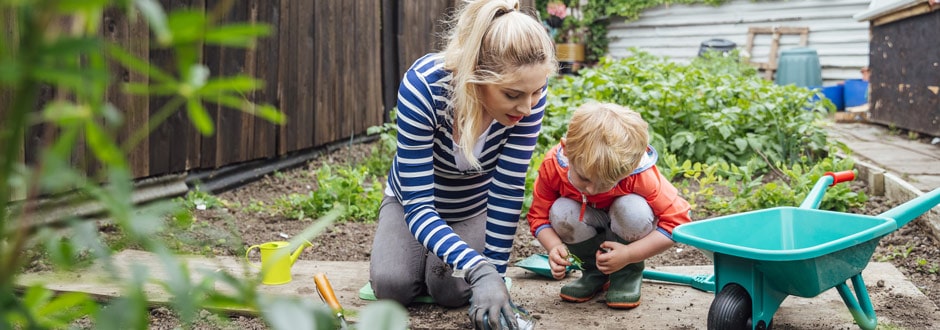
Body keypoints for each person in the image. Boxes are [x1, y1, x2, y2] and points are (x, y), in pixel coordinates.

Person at [368, 0, 556, 328]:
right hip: (412, 204)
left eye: (537, 92)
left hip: (472, 207)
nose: (527, 107)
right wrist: (477, 268)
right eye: (512, 95)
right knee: (391, 285)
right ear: (475, 75)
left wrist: (494, 276)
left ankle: (442, 257)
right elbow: (419, 208)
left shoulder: (528, 94)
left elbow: (506, 191)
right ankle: (425, 253)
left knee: (452, 289)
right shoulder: (424, 87)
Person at [526, 102, 692, 309]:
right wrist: (554, 247)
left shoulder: (640, 174)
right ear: (567, 150)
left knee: (632, 209)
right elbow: (538, 216)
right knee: (561, 210)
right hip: (588, 224)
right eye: (584, 178)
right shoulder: (554, 166)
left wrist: (629, 255)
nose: (593, 190)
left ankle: (626, 274)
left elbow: (677, 222)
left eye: (606, 183)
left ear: (631, 166)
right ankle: (594, 273)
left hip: (625, 230)